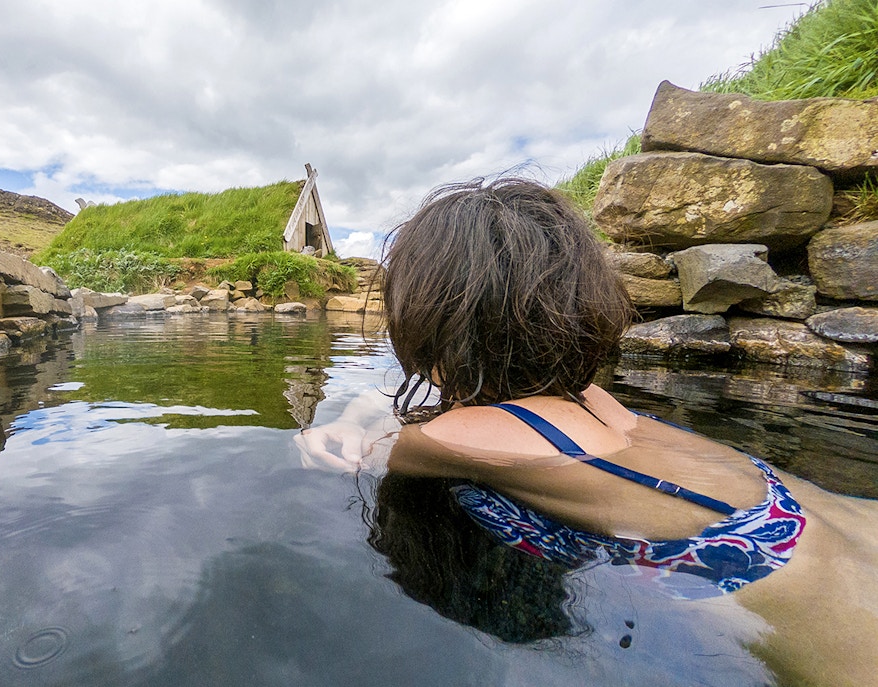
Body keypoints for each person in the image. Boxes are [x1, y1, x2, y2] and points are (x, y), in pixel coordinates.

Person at [295, 178, 878, 686]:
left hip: (791, 603)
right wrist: (357, 415)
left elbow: (373, 448)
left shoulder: (455, 437)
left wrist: (337, 429)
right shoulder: (596, 399)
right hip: (804, 519)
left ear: (431, 318)